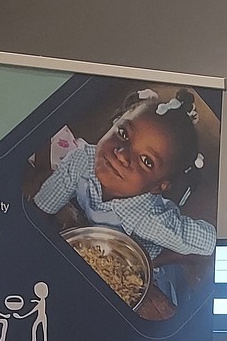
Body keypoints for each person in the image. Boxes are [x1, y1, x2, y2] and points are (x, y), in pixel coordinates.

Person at [33, 88, 215, 310]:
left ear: (160, 186)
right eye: (123, 133)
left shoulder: (151, 222)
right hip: (89, 236)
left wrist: (155, 261)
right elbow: (42, 208)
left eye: (147, 161)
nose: (121, 154)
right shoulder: (82, 160)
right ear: (115, 121)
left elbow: (210, 243)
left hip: (138, 264)